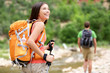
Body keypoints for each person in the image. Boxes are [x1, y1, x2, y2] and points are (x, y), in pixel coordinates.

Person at [22, 2, 54, 73]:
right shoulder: (40, 24)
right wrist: (44, 56)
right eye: (44, 9)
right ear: (37, 12)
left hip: (27, 65)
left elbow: (32, 46)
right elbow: (30, 42)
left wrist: (46, 47)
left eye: (48, 9)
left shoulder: (31, 24)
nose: (47, 11)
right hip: (37, 65)